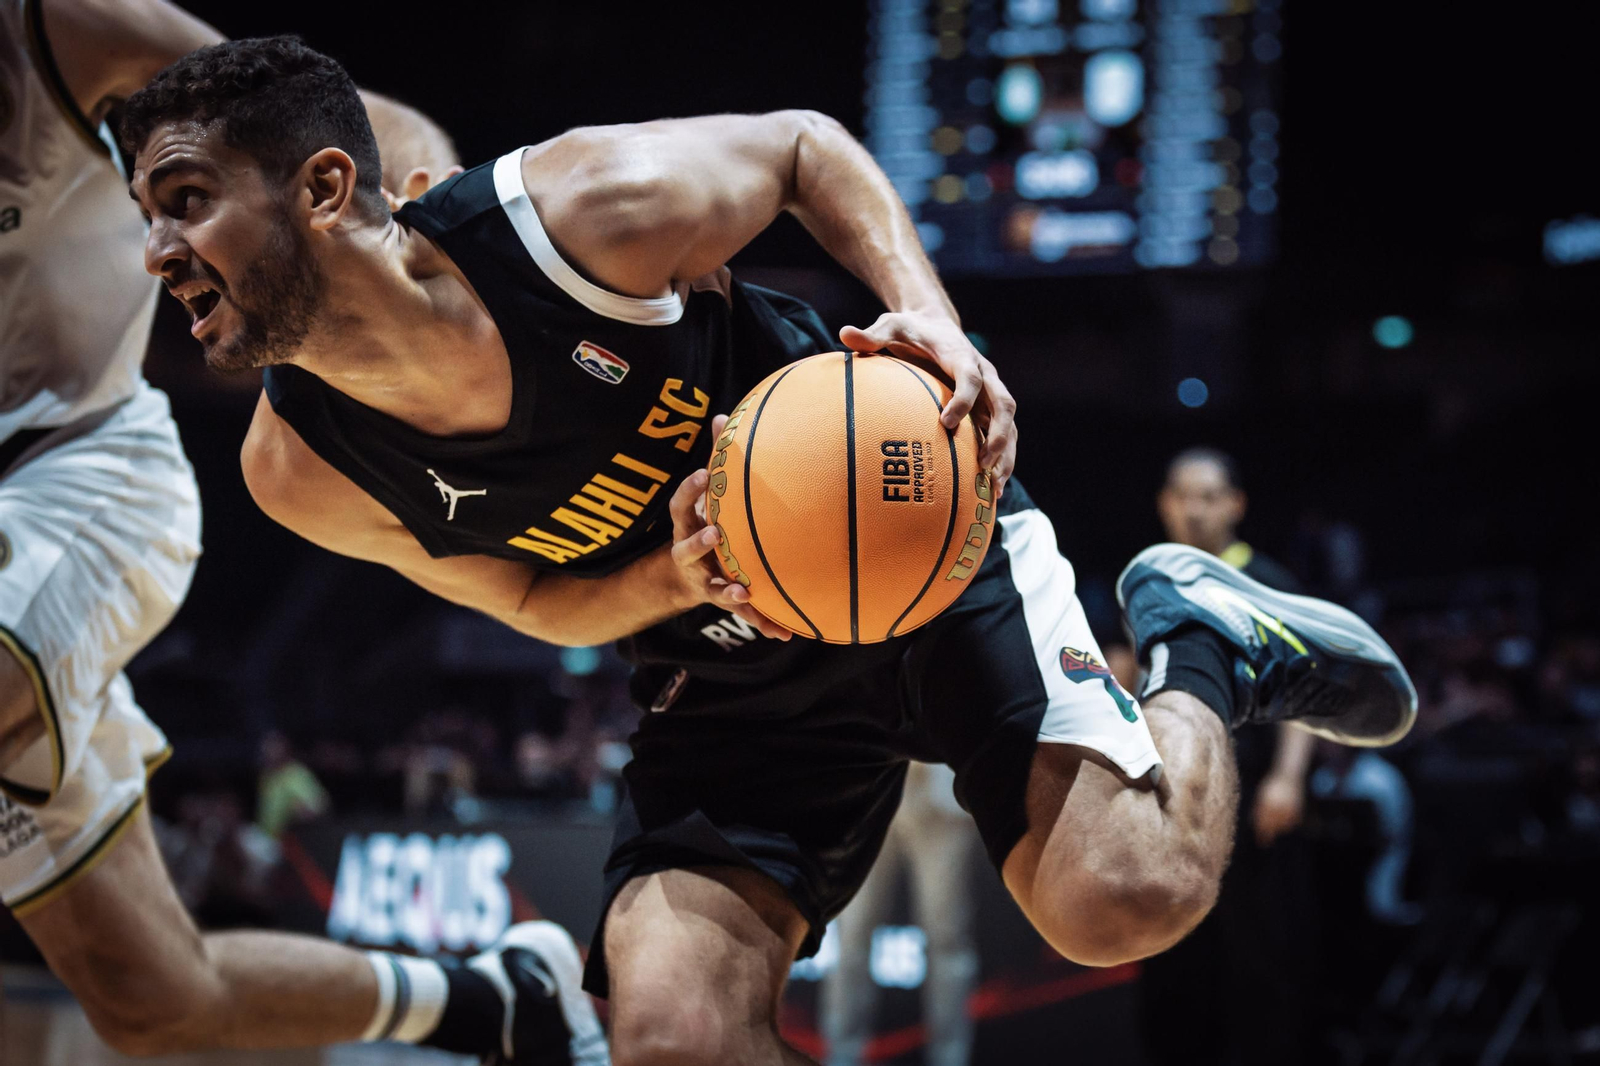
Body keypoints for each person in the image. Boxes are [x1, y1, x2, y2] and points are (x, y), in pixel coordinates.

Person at [121, 36, 1418, 1066]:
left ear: (322, 189)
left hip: (915, 548)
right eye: (146, 215)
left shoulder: (576, 216)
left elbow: (804, 148)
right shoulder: (297, 470)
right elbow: (530, 597)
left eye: (185, 202)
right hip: (723, 670)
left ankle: (1202, 641)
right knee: (672, 1036)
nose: (155, 252)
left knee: (1119, 900)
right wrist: (671, 577)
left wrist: (927, 317)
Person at [0, 4, 602, 1062]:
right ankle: (497, 1001)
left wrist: (424, 291)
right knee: (155, 999)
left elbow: (363, 126)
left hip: (73, 477)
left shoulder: (56, 25)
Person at [1137, 447, 1319, 1066]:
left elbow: (1300, 693)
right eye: (1183, 496)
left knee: (1260, 955)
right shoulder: (1148, 580)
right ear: (1164, 504)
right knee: (1173, 957)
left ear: (1236, 504)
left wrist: (1287, 777)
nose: (1195, 510)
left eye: (1209, 497)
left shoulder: (1269, 581)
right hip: (1169, 803)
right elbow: (1125, 673)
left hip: (1249, 796)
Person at [821, 762, 980, 1066]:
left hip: (940, 794)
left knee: (948, 939)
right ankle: (841, 1055)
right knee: (851, 933)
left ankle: (950, 1058)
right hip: (870, 794)